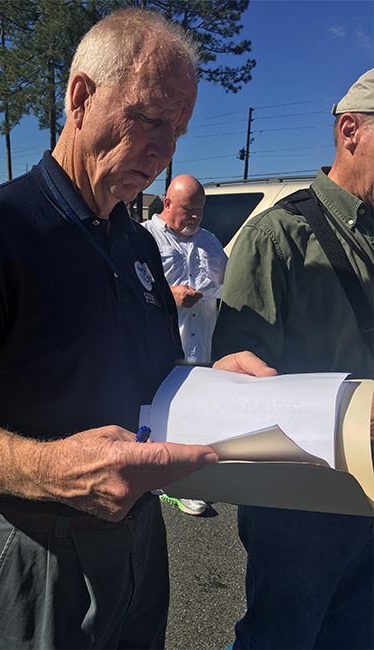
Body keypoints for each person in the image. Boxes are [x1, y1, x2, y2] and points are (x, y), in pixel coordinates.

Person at [0, 9, 276, 650]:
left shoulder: (138, 246)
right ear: (81, 97)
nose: (167, 149)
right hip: (34, 545)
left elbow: (155, 375)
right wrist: (46, 468)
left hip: (141, 535)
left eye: (179, 130)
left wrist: (209, 381)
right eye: (151, 118)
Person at [213, 68, 374, 649]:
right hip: (304, 504)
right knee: (282, 637)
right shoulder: (279, 236)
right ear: (350, 130)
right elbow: (239, 382)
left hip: (373, 489)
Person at [143, 174, 227, 515]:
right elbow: (128, 293)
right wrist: (168, 296)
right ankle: (162, 480)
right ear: (166, 203)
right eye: (188, 209)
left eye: (200, 211)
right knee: (157, 412)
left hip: (200, 348)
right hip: (160, 349)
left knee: (193, 413)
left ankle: (186, 477)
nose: (194, 217)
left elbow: (226, 288)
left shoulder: (210, 243)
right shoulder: (144, 238)